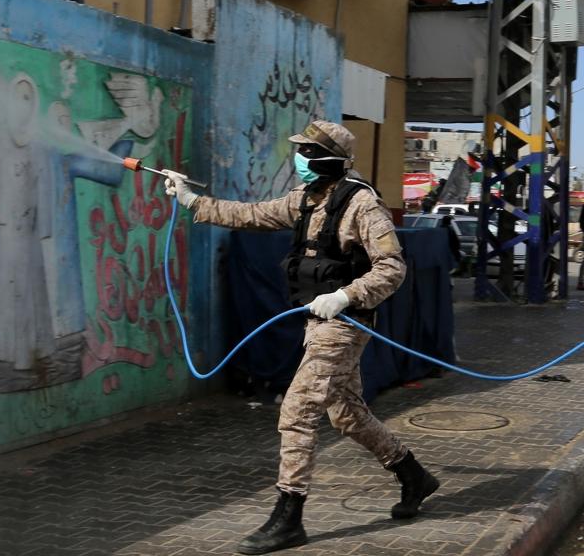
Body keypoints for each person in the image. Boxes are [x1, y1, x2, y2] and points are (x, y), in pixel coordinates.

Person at [163, 120, 439, 555]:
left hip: (344, 325)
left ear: (329, 159)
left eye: (308, 154)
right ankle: (413, 476)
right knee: (346, 413)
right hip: (317, 322)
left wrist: (347, 295)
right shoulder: (306, 200)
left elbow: (392, 267)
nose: (300, 161)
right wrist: (190, 200)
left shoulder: (362, 205)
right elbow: (251, 214)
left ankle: (289, 515)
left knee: (297, 410)